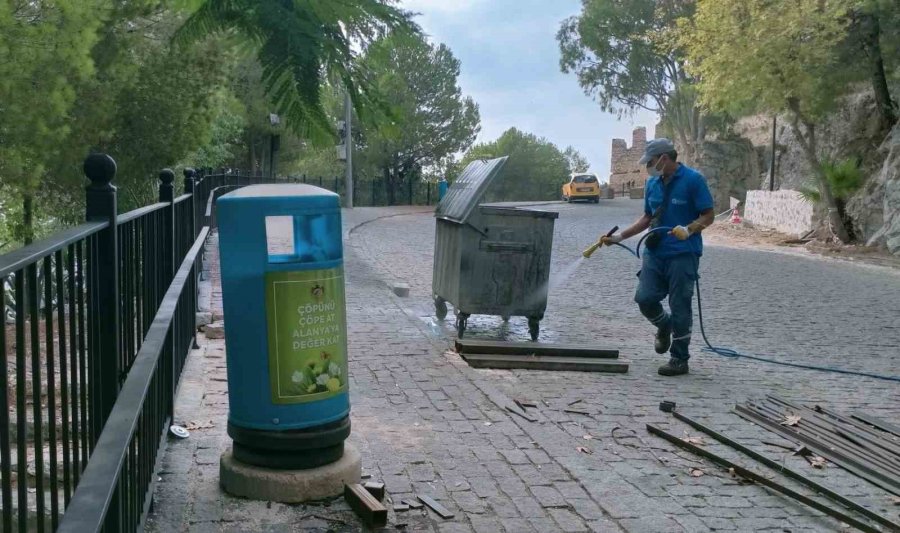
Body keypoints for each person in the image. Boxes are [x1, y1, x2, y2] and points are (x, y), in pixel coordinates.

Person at [601, 138, 715, 376]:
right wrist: (620, 237)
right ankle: (665, 325)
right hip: (654, 252)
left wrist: (689, 229)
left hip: (683, 253)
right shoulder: (652, 183)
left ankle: (679, 359)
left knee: (680, 304)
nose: (647, 167)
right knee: (644, 298)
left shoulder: (694, 180)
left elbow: (708, 215)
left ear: (664, 158)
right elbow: (647, 217)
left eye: (650, 162)